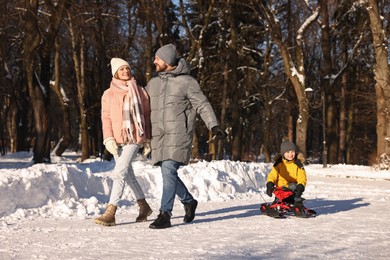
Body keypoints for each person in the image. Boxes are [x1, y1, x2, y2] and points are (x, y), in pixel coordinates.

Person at [146, 44, 226, 229]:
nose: (154, 62)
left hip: (179, 134)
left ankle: (165, 213)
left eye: (157, 58)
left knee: (168, 169)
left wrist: (213, 125)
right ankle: (189, 201)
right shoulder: (153, 83)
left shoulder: (187, 82)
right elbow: (141, 108)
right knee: (169, 173)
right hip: (159, 135)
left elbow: (202, 105)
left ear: (167, 60)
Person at [95, 57, 153, 226]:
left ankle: (111, 212)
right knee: (128, 175)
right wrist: (108, 138)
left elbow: (147, 116)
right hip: (117, 139)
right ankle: (144, 206)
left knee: (119, 172)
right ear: (115, 73)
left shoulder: (140, 91)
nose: (126, 72)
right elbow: (105, 117)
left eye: (127, 69)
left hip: (135, 137)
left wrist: (148, 138)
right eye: (122, 69)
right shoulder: (108, 94)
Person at [265, 140, 307, 206]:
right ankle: (278, 201)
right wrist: (270, 184)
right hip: (281, 188)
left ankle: (296, 201)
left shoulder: (298, 164)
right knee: (279, 193)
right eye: (287, 152)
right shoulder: (278, 163)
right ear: (283, 153)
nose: (290, 154)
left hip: (293, 189)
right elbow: (273, 175)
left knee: (293, 186)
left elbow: (302, 177)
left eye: (292, 152)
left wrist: (301, 186)